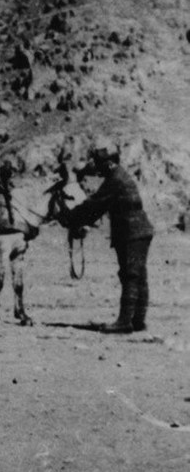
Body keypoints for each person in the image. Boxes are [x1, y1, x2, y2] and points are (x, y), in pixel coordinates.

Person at [62, 142, 155, 333]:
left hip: (132, 232)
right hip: (139, 231)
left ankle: (124, 322)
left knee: (130, 275)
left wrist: (70, 218)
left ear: (108, 163)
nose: (96, 168)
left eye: (98, 163)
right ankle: (137, 321)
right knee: (138, 276)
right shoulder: (118, 175)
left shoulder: (115, 180)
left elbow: (94, 205)